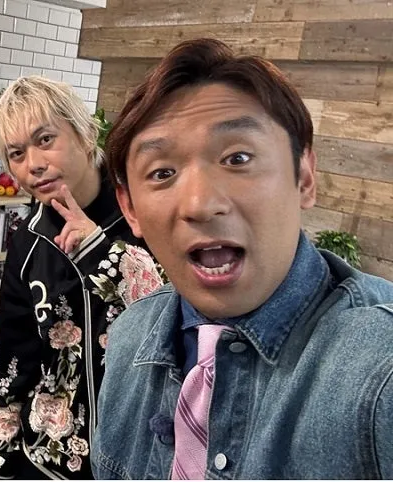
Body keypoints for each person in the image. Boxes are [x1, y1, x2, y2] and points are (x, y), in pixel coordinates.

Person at [92, 38, 393, 479]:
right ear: (130, 208)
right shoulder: (128, 337)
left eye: (238, 158)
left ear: (305, 177)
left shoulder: (379, 371)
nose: (199, 204)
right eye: (162, 173)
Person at [0, 75, 162, 479]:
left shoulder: (146, 214)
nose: (33, 164)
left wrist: (98, 250)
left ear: (86, 134)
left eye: (45, 140)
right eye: (16, 154)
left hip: (141, 453)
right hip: (51, 456)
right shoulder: (28, 242)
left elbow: (173, 315)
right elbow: (12, 357)